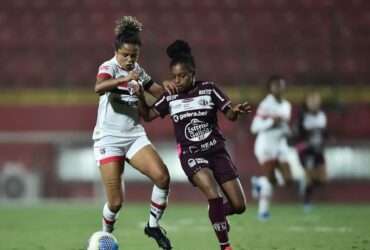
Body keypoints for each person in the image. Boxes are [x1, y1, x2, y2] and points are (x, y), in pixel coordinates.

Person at [137, 40, 249, 250]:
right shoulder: (171, 96)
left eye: (183, 76)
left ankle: (216, 215)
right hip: (191, 154)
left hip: (217, 151)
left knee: (239, 206)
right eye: (175, 76)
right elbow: (148, 115)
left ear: (193, 74)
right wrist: (139, 96)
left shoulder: (209, 89)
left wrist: (236, 111)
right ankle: (225, 246)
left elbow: (230, 115)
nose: (178, 81)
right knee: (213, 195)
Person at [92, 16, 176, 250]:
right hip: (108, 138)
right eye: (125, 55)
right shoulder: (108, 67)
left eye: (134, 56)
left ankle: (152, 225)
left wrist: (171, 89)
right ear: (116, 51)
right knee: (116, 203)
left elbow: (157, 91)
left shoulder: (138, 70)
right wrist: (125, 78)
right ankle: (105, 238)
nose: (129, 60)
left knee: (162, 177)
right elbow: (98, 87)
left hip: (134, 136)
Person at [250, 75, 293, 220]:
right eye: (276, 86)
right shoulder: (265, 105)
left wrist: (288, 132)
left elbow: (284, 125)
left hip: (280, 145)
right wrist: (270, 122)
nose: (279, 88)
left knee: (288, 180)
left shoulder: (287, 105)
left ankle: (259, 182)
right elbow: (254, 127)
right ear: (271, 88)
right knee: (272, 180)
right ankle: (263, 212)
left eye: (281, 85)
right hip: (266, 145)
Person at [292, 92, 327, 210]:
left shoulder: (322, 115)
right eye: (311, 101)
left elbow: (323, 133)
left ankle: (304, 185)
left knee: (323, 179)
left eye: (316, 101)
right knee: (310, 175)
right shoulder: (303, 117)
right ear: (307, 103)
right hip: (305, 150)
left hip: (318, 149)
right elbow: (296, 133)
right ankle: (307, 201)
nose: (314, 103)